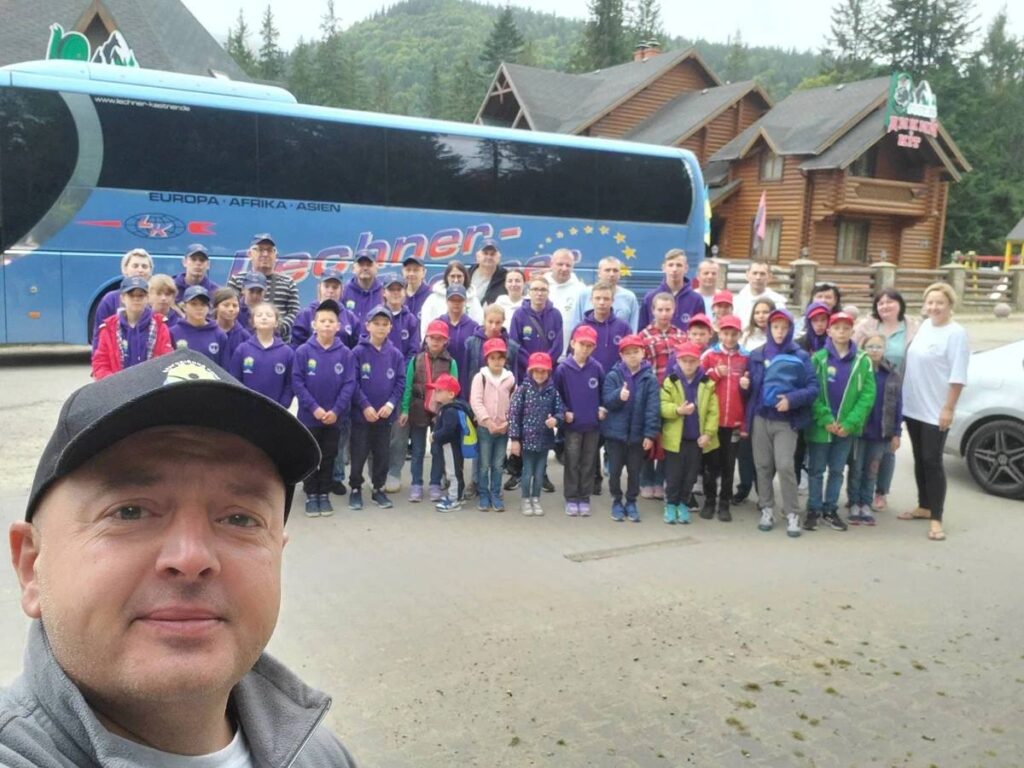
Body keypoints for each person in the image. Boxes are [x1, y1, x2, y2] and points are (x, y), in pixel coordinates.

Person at [4, 348, 357, 766]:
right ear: (31, 566)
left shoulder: (320, 755)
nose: (191, 558)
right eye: (129, 512)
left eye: (240, 519)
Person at [898, 282, 969, 541]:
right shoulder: (925, 326)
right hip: (913, 406)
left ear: (950, 305)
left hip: (936, 409)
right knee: (919, 457)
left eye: (940, 302)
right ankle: (924, 506)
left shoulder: (956, 334)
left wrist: (948, 408)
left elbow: (958, 376)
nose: (934, 307)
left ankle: (937, 518)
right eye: (930, 302)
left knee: (932, 460)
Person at [744, 308, 818, 538]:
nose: (779, 332)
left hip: (786, 421)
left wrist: (791, 400)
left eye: (784, 328)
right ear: (768, 328)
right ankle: (766, 508)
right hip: (760, 417)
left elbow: (812, 388)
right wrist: (744, 385)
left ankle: (792, 512)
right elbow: (751, 390)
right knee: (762, 465)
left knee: (785, 465)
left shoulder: (800, 355)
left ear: (791, 330)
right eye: (775, 327)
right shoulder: (757, 354)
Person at [804, 312, 876, 533]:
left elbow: (867, 395)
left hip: (846, 429)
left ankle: (830, 509)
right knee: (816, 470)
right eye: (837, 328)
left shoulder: (863, 360)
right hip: (821, 428)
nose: (841, 332)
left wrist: (850, 423)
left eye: (846, 328)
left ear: (852, 331)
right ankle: (814, 509)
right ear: (829, 331)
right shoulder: (818, 359)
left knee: (836, 471)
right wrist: (825, 418)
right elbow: (812, 391)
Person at [852, 289, 919, 511]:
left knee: (887, 449)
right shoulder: (867, 326)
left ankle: (880, 492)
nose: (885, 306)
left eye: (890, 302)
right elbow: (852, 350)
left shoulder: (912, 327)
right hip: (867, 389)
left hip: (895, 390)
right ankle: (858, 496)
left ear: (900, 304)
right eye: (881, 303)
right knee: (862, 454)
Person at [291, 299, 356, 517]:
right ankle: (311, 493)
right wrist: (314, 408)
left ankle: (324, 494)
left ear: (338, 326)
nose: (327, 324)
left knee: (329, 455)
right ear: (314, 325)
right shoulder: (303, 352)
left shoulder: (346, 353)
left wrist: (336, 410)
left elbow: (349, 384)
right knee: (311, 455)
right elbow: (297, 382)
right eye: (322, 321)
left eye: (331, 321)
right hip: (309, 417)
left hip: (334, 418)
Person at [348, 305, 406, 512]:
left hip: (384, 416)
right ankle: (355, 488)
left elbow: (400, 382)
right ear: (368, 326)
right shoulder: (357, 352)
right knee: (359, 453)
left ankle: (378, 488)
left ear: (390, 327)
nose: (381, 328)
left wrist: (390, 404)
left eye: (385, 324)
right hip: (361, 415)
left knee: (382, 453)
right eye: (376, 324)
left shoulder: (395, 354)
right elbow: (352, 382)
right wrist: (364, 405)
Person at [601, 334, 661, 523]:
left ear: (643, 353)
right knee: (615, 472)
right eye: (627, 353)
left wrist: (650, 434)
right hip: (615, 435)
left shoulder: (650, 379)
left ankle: (632, 501)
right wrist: (619, 396)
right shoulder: (613, 375)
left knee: (635, 472)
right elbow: (607, 401)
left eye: (636, 351)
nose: (632, 356)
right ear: (621, 356)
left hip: (637, 437)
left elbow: (653, 408)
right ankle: (616, 500)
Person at [660, 341, 719, 524]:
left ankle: (683, 503)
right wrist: (678, 410)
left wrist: (708, 434)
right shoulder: (671, 381)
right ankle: (671, 504)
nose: (688, 365)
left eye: (692, 361)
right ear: (677, 361)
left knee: (690, 476)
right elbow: (662, 405)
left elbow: (713, 412)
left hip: (696, 440)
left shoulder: (707, 383)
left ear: (699, 362)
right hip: (675, 440)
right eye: (684, 361)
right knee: (673, 475)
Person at [846, 333, 902, 526]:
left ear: (884, 349)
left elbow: (897, 405)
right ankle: (854, 502)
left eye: (878, 347)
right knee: (856, 468)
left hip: (880, 432)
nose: (874, 351)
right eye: (870, 347)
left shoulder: (892, 374)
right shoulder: (858, 370)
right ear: (863, 349)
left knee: (872, 469)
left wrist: (896, 433)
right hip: (859, 430)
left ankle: (866, 503)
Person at [401, 320, 458, 503]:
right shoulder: (415, 360)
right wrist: (404, 409)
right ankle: (416, 484)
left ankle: (435, 483)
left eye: (440, 338)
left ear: (446, 341)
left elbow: (454, 389)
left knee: (437, 449)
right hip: (417, 407)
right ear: (426, 338)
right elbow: (408, 386)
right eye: (432, 337)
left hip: (440, 412)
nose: (435, 341)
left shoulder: (451, 363)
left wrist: (449, 410)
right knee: (417, 450)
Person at [700, 315, 749, 521]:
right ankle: (709, 501)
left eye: (733, 334)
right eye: (726, 333)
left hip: (734, 422)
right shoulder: (710, 355)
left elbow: (751, 391)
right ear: (719, 334)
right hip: (713, 422)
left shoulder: (745, 358)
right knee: (711, 464)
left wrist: (747, 385)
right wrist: (714, 373)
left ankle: (724, 503)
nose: (729, 338)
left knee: (729, 465)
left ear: (740, 334)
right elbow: (698, 382)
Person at [638, 292, 686, 499]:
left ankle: (660, 479)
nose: (664, 313)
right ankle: (645, 479)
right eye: (660, 309)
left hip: (673, 396)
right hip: (651, 393)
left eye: (668, 309)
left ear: (674, 310)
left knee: (668, 437)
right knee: (649, 435)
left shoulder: (682, 336)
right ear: (653, 310)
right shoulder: (644, 336)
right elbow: (640, 367)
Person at [555, 325, 606, 517]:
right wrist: (564, 412)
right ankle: (571, 497)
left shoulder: (596, 368)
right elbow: (556, 396)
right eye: (581, 344)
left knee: (588, 462)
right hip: (573, 426)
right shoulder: (563, 369)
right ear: (573, 343)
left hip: (592, 425)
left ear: (594, 348)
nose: (585, 349)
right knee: (572, 461)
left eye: (589, 346)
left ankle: (584, 497)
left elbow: (603, 392)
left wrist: (602, 408)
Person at [508, 352, 564, 517]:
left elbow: (560, 411)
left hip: (545, 440)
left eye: (543, 371)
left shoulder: (553, 391)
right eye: (536, 371)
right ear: (530, 371)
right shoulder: (523, 390)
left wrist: (556, 420)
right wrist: (515, 440)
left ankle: (536, 498)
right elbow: (514, 415)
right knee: (527, 472)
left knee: (540, 473)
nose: (540, 374)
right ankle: (525, 499)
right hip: (527, 440)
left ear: (549, 372)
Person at [733, 297, 776, 505]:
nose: (761, 316)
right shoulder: (746, 336)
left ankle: (763, 491)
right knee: (745, 448)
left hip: (768, 399)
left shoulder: (778, 337)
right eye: (757, 312)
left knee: (766, 452)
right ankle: (744, 487)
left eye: (765, 312)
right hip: (747, 396)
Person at [91, 276, 172, 380]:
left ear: (147, 298)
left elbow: (166, 359)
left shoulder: (160, 326)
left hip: (151, 384)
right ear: (123, 298)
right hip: (117, 384)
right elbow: (100, 362)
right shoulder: (108, 328)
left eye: (141, 295)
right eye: (131, 295)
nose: (136, 299)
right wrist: (113, 382)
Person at [470, 338, 515, 512]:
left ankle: (496, 493)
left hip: (503, 429)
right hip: (484, 428)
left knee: (498, 464)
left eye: (500, 357)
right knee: (483, 464)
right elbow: (476, 401)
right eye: (493, 358)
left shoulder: (510, 379)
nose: (497, 361)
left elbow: (514, 403)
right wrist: (487, 421)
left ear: (505, 359)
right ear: (486, 359)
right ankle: (483, 494)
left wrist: (507, 422)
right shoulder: (480, 377)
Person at [227, 234, 300, 341]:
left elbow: (295, 313)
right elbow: (229, 310)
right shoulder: (237, 280)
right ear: (250, 254)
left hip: (278, 343)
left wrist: (273, 329)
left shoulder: (288, 283)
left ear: (276, 255)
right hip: (242, 342)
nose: (265, 254)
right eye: (260, 250)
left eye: (269, 250)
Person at [230, 302, 295, 409]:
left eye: (269, 315)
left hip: (276, 410)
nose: (264, 318)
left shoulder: (287, 352)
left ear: (276, 323)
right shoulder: (242, 350)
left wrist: (282, 405)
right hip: (246, 409)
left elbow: (290, 383)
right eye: (259, 315)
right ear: (253, 322)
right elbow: (234, 380)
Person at [429, 374, 475, 512]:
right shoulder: (447, 408)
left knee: (453, 473)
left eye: (439, 390)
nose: (436, 393)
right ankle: (456, 495)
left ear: (451, 394)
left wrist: (435, 436)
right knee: (453, 471)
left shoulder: (450, 410)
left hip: (451, 446)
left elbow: (448, 431)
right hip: (449, 446)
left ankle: (455, 499)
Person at [92, 248, 154, 345]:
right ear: (125, 269)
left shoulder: (156, 299)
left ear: (150, 271)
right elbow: (98, 337)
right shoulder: (110, 300)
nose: (140, 270)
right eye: (135, 266)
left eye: (144, 266)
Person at [510, 276, 564, 381]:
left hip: (548, 373)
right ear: (529, 292)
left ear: (548, 293)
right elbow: (514, 344)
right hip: (525, 372)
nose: (539, 293)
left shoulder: (556, 315)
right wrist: (532, 364)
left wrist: (544, 364)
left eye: (543, 290)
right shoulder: (519, 314)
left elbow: (558, 346)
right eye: (535, 289)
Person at [638, 249, 704, 331]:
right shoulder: (650, 298)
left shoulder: (696, 299)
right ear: (663, 268)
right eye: (670, 265)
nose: (674, 269)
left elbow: (701, 330)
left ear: (686, 268)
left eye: (679, 265)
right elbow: (641, 331)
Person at [292, 270, 360, 350]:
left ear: (342, 290)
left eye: (335, 287)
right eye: (326, 286)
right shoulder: (305, 315)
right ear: (319, 288)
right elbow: (297, 347)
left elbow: (356, 350)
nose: (330, 291)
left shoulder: (351, 318)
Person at [436, 284, 482, 399]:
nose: (456, 303)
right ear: (446, 301)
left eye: (459, 300)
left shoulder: (473, 326)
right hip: (441, 378)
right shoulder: (438, 324)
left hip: (465, 379)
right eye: (452, 300)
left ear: (465, 302)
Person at [571, 257, 640, 331]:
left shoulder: (629, 297)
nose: (611, 274)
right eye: (607, 270)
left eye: (615, 270)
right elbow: (576, 325)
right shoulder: (585, 294)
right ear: (599, 273)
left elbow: (633, 328)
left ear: (620, 274)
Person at [419, 261, 484, 339]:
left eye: (459, 276)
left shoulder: (474, 301)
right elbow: (425, 327)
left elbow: (479, 324)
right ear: (446, 277)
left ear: (465, 277)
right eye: (452, 276)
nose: (456, 280)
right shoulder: (432, 299)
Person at [170, 286, 229, 367]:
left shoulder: (219, 335)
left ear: (208, 308)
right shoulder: (173, 333)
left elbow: (224, 368)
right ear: (184, 307)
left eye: (203, 304)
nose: (199, 308)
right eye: (193, 304)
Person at [544, 248, 586, 351]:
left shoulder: (581, 290)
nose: (564, 268)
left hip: (571, 352)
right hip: (542, 352)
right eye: (560, 264)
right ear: (551, 264)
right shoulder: (540, 286)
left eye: (568, 265)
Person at [733, 261, 787, 326]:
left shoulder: (777, 302)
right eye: (754, 273)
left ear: (770, 277)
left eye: (762, 274)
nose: (758, 277)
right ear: (747, 275)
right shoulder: (736, 301)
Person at [381, 273, 419, 360]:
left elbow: (414, 351)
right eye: (391, 289)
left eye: (399, 289)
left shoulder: (411, 320)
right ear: (384, 293)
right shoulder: (375, 317)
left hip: (403, 368)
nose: (395, 293)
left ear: (404, 292)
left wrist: (402, 367)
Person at [341, 250, 384, 322]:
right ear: (353, 268)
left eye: (369, 265)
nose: (365, 268)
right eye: (361, 265)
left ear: (377, 267)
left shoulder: (384, 292)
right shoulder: (344, 291)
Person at [211, 287, 251, 362]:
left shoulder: (244, 337)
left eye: (235, 305)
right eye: (226, 305)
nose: (231, 309)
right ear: (216, 307)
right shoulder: (208, 332)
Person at [467, 238, 509, 306]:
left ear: (499, 257)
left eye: (492, 254)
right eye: (485, 253)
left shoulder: (507, 278)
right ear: (477, 256)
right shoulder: (465, 275)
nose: (489, 257)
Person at [402, 255, 433, 319]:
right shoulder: (398, 294)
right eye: (408, 270)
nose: (411, 273)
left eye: (416, 270)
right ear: (403, 271)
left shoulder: (431, 296)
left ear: (424, 272)